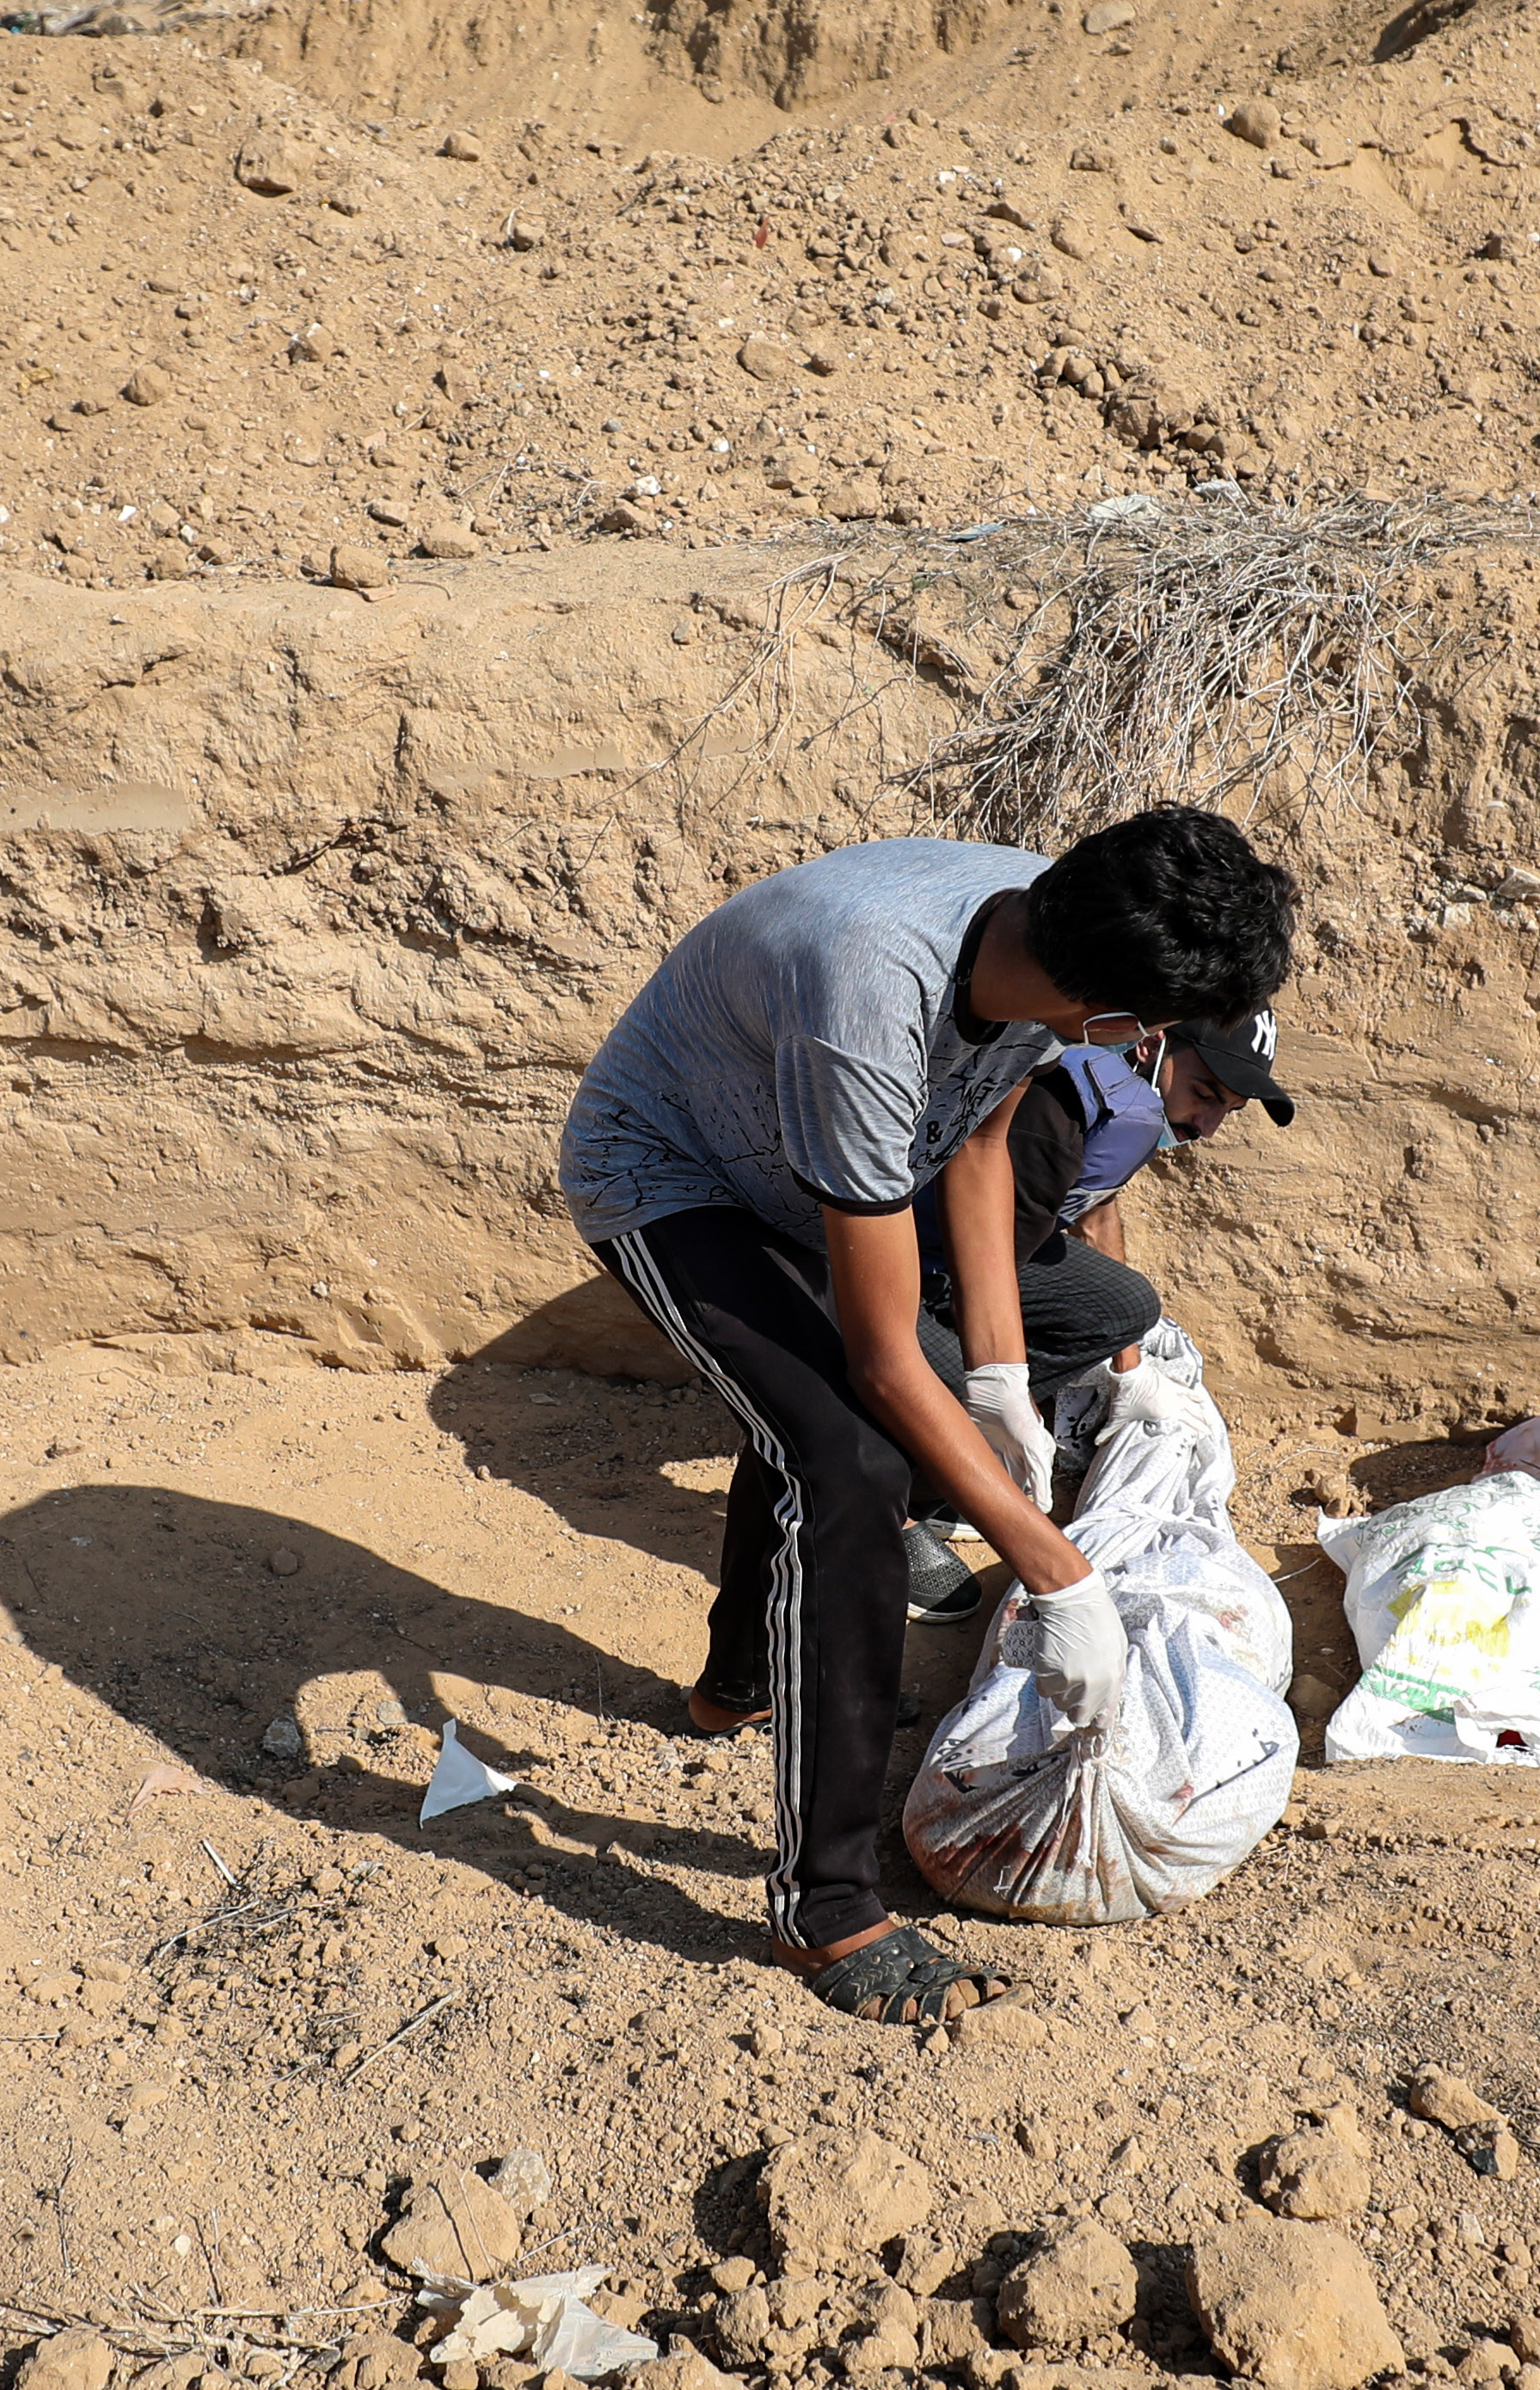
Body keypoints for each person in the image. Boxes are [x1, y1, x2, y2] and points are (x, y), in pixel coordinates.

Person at [555, 808, 1298, 2024]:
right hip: (673, 1172)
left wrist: (1002, 1373)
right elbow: (883, 1356)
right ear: (1113, 1013)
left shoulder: (1036, 917)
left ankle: (737, 1683)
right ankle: (827, 1909)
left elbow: (979, 1134)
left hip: (798, 1166)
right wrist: (1057, 1575)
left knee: (806, 1410)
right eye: (1152, 1035)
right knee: (844, 1454)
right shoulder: (869, 992)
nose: (1149, 1054)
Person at [894, 1013, 1297, 1620]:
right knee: (955, 1383)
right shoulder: (1056, 1108)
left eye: (1228, 1110)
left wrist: (1128, 1372)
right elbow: (982, 1266)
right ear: (1153, 1044)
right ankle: (888, 1511)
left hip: (967, 1258)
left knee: (1124, 1308)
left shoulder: (1128, 1105)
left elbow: (1097, 1210)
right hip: (887, 1265)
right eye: (1204, 1095)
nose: (1207, 1126)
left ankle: (941, 1472)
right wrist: (1000, 1390)